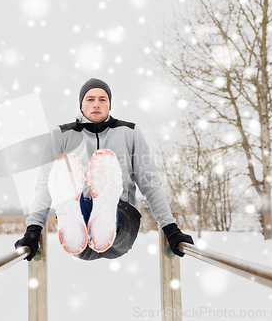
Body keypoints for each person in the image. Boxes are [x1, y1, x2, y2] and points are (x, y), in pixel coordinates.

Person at [15, 78, 194, 261]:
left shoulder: (129, 132)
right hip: (80, 235)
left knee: (115, 212)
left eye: (102, 99)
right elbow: (45, 184)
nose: (96, 104)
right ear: (81, 105)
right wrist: (33, 230)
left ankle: (106, 212)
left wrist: (171, 229)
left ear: (110, 105)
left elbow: (150, 183)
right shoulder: (62, 135)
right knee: (74, 201)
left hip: (122, 221)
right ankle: (78, 217)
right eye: (90, 99)